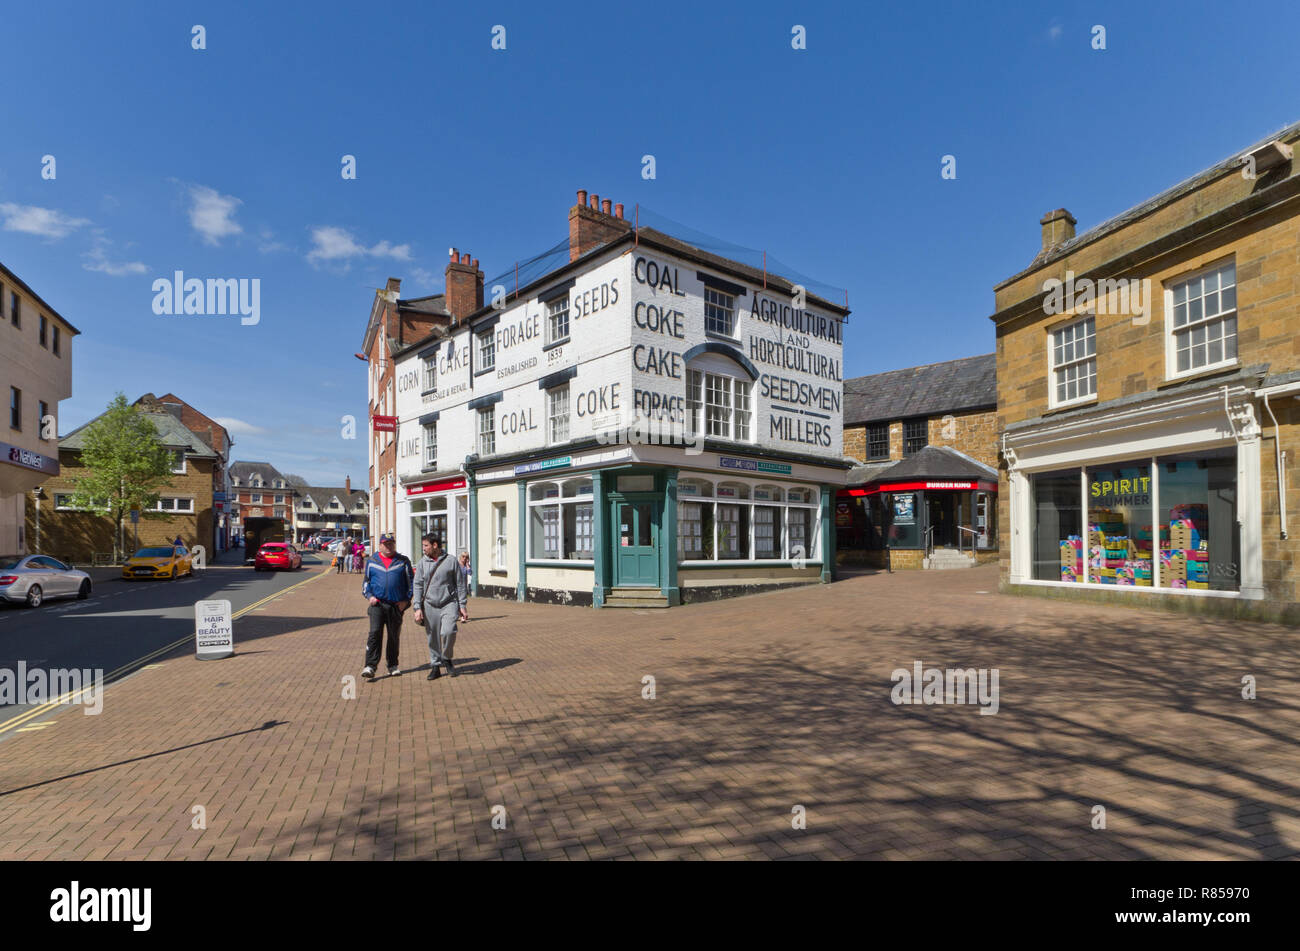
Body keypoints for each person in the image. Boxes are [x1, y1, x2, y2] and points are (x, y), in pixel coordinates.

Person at [413, 534, 468, 681]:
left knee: (449, 631)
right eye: (423, 545)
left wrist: (462, 605)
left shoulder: (451, 561)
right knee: (433, 638)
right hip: (429, 605)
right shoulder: (422, 563)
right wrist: (417, 607)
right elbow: (417, 585)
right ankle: (435, 666)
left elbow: (460, 584)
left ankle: (447, 658)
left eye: (426, 545)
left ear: (435, 545)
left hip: (448, 603)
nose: (423, 549)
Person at [361, 533, 413, 679]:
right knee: (375, 633)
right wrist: (370, 596)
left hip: (396, 606)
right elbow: (366, 583)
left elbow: (411, 583)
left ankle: (392, 665)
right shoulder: (372, 561)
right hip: (377, 604)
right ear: (380, 545)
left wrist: (406, 601)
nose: (389, 546)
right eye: (386, 544)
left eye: (391, 543)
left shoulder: (403, 561)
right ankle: (370, 666)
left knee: (393, 636)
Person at [457, 552, 472, 623]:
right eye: (463, 556)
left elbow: (470, 573)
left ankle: (463, 615)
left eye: (466, 557)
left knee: (462, 601)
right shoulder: (457, 565)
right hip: (456, 586)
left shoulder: (466, 566)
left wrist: (467, 565)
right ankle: (462, 615)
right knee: (458, 602)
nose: (464, 558)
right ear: (460, 556)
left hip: (463, 587)